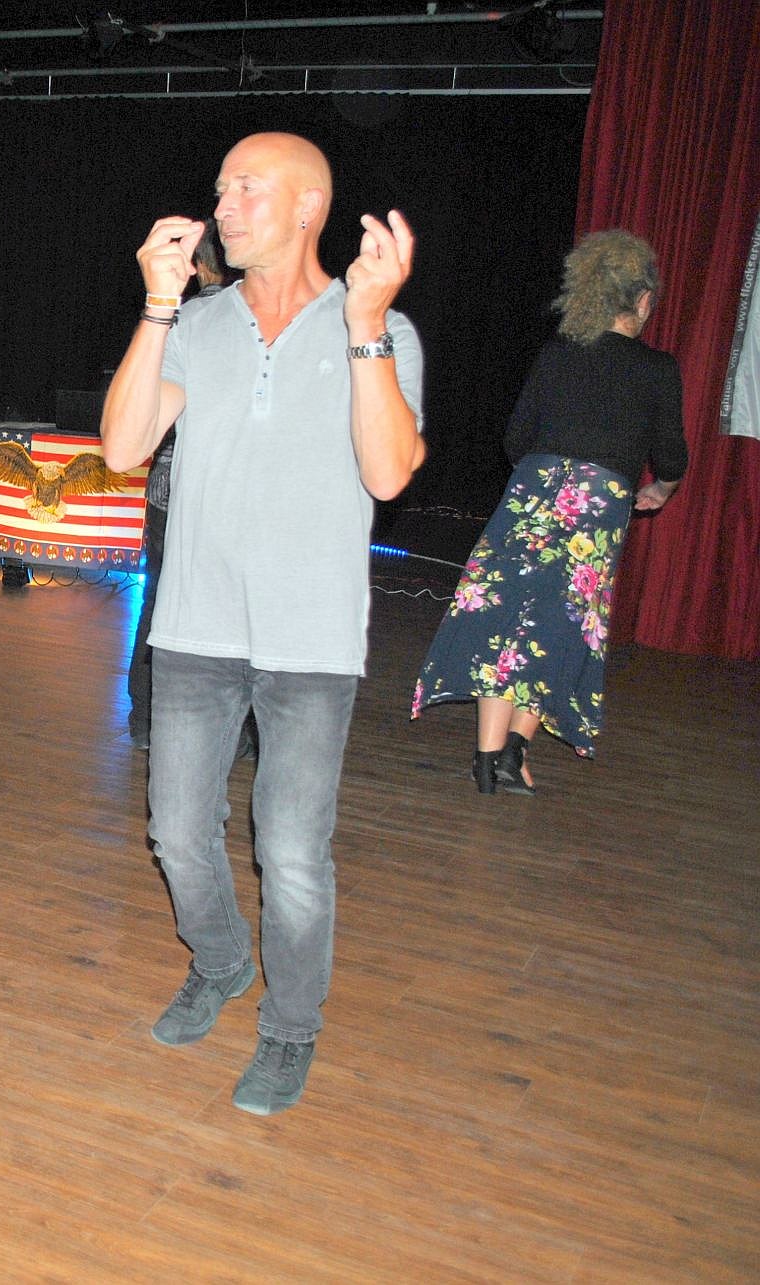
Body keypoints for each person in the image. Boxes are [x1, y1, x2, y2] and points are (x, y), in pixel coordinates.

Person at [100, 133, 425, 1114]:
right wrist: (158, 306)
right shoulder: (195, 323)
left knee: (290, 856)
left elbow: (389, 474)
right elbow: (122, 447)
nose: (223, 206)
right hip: (195, 627)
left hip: (311, 640)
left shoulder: (381, 327)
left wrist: (365, 324)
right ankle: (221, 961)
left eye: (247, 188)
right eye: (220, 189)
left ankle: (289, 1027)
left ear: (309, 207)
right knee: (175, 833)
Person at [412, 230, 685, 794]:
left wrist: (546, 481)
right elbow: (671, 457)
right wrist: (661, 490)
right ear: (642, 301)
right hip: (597, 504)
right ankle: (513, 752)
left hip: (533, 492)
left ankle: (489, 757)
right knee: (559, 623)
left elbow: (516, 438)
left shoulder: (557, 354)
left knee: (504, 615)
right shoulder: (658, 368)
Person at [128, 218, 224, 749]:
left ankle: (145, 718)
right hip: (214, 491)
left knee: (159, 601)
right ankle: (223, 729)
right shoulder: (242, 320)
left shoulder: (174, 319)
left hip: (169, 490)